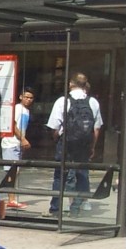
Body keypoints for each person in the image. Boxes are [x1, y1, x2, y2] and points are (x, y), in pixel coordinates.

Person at [45, 73, 103, 217]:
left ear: (71, 84)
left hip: (65, 143)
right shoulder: (93, 102)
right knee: (82, 174)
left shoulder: (62, 101)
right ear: (85, 84)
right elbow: (96, 129)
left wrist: (57, 139)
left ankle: (55, 208)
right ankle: (76, 208)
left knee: (60, 175)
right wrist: (92, 146)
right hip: (83, 145)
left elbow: (54, 127)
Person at [0, 89, 33, 209]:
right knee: (11, 171)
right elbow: (12, 124)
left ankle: (11, 198)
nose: (28, 100)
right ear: (20, 97)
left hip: (17, 144)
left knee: (15, 171)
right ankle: (11, 199)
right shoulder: (18, 108)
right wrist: (22, 139)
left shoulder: (26, 111)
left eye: (30, 98)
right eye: (26, 97)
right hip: (11, 143)